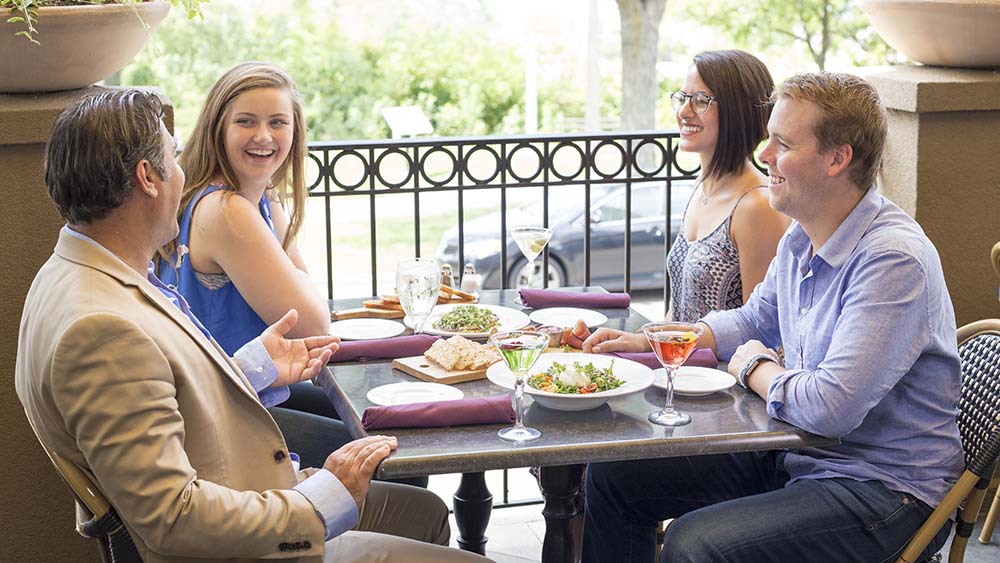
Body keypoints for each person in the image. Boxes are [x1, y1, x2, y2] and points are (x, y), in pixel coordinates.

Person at [16, 89, 490, 563]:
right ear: (147, 178)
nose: (181, 172)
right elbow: (172, 519)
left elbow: (162, 392)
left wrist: (252, 367)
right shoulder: (102, 331)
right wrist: (323, 499)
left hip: (245, 491)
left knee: (425, 512)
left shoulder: (75, 271)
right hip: (242, 539)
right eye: (172, 157)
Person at [580, 72, 963, 562]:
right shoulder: (804, 233)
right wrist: (657, 338)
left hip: (884, 489)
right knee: (614, 476)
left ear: (837, 158)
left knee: (694, 544)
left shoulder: (893, 260)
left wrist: (754, 367)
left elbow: (829, 408)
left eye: (783, 143)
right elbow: (754, 319)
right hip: (802, 455)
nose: (764, 155)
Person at [156, 62, 369, 473]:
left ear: (295, 131)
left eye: (277, 122)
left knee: (375, 418)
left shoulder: (258, 198)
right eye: (246, 122)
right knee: (387, 448)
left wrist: (300, 288)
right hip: (221, 415)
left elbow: (306, 299)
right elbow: (313, 323)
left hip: (245, 389)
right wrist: (301, 289)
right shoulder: (225, 209)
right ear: (218, 128)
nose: (263, 136)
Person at [666, 50, 790, 321]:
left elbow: (760, 327)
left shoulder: (756, 206)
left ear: (737, 111)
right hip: (678, 349)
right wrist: (636, 340)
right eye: (682, 98)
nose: (684, 112)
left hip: (721, 352)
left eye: (701, 101)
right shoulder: (701, 187)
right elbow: (676, 313)